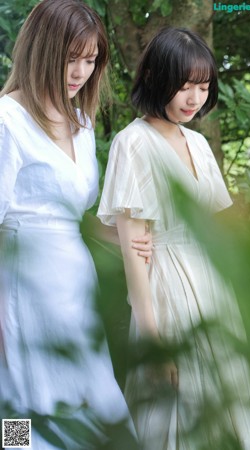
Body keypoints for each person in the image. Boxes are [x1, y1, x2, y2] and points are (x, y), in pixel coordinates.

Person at [98, 27, 250, 450]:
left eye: (203, 87)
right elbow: (136, 253)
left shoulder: (200, 145)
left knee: (225, 403)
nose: (194, 99)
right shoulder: (132, 144)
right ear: (153, 78)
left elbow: (218, 230)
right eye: (184, 86)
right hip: (165, 291)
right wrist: (153, 341)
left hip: (214, 292)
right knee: (175, 411)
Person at [0, 1, 152, 449]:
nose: (82, 71)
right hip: (21, 287)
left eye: (91, 59)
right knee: (20, 405)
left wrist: (127, 239)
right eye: (72, 58)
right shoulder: (7, 120)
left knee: (96, 402)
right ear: (42, 50)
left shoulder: (81, 123)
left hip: (74, 289)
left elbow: (75, 215)